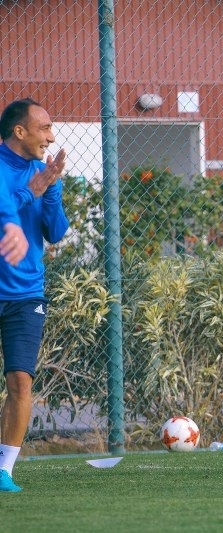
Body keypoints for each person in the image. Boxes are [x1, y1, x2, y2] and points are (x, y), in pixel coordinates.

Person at [0, 98, 69, 492]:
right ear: (19, 131)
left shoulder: (43, 173)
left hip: (27, 294)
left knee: (21, 382)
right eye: (44, 128)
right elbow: (5, 207)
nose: (51, 137)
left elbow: (55, 232)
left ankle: (4, 470)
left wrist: (51, 188)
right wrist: (33, 190)